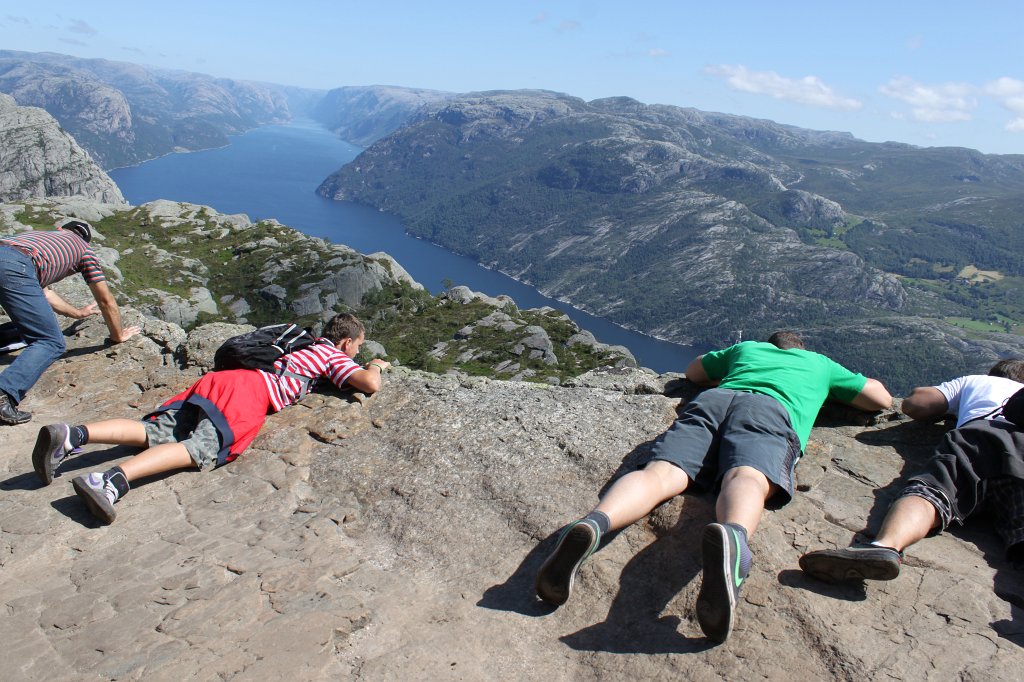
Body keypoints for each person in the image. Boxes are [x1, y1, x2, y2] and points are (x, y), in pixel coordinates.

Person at [534, 331, 892, 643]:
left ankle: (596, 522)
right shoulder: (821, 364)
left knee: (662, 473)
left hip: (714, 400)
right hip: (770, 412)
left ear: (771, 345)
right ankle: (733, 538)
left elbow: (694, 370)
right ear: (801, 349)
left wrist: (733, 362)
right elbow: (881, 401)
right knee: (747, 476)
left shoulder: (747, 349)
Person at [31, 313, 390, 524]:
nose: (357, 352)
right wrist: (376, 364)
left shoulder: (302, 345)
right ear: (346, 342)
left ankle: (72, 435)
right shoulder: (331, 355)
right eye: (358, 346)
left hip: (220, 380)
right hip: (249, 394)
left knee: (155, 430)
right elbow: (369, 384)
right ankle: (109, 481)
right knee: (199, 448)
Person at [799, 359, 1024, 583]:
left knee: (931, 492)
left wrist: (950, 409)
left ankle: (885, 547)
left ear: (993, 373)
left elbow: (916, 404)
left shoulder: (979, 382)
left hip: (981, 440)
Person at [0, 218, 141, 425]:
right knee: (50, 342)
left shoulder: (37, 237)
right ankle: (4, 393)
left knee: (26, 324)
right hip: (15, 267)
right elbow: (105, 299)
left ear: (61, 229)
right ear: (86, 240)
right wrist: (118, 335)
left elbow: (45, 294)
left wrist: (76, 313)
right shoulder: (84, 250)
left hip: (8, 255)